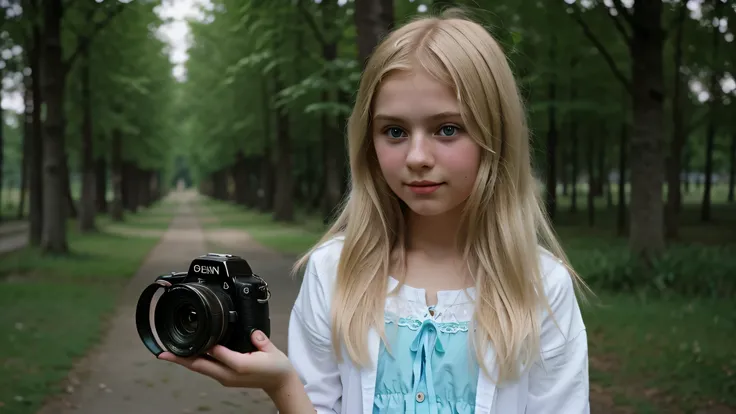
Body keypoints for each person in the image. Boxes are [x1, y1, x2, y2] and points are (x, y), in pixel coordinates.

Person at [159, 9, 590, 414]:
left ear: (496, 134)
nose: (417, 156)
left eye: (447, 129)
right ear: (369, 141)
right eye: (395, 131)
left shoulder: (540, 286)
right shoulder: (335, 272)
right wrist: (283, 385)